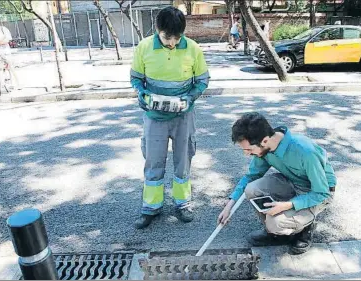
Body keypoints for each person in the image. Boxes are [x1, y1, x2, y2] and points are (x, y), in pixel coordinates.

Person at [130, 6, 210, 229]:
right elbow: (136, 78)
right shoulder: (144, 48)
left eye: (177, 37)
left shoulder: (193, 49)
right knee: (153, 161)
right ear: (158, 29)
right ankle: (151, 207)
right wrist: (142, 93)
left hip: (183, 116)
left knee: (183, 160)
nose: (172, 43)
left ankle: (182, 203)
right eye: (167, 37)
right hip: (154, 117)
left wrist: (190, 97)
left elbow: (203, 80)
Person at [218, 112, 337, 254]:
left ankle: (306, 227)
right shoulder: (265, 149)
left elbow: (321, 193)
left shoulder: (305, 151)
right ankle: (274, 233)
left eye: (249, 149)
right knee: (251, 189)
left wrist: (286, 205)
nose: (246, 154)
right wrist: (229, 206)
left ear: (265, 141)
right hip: (292, 181)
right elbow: (251, 176)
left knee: (276, 223)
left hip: (317, 192)